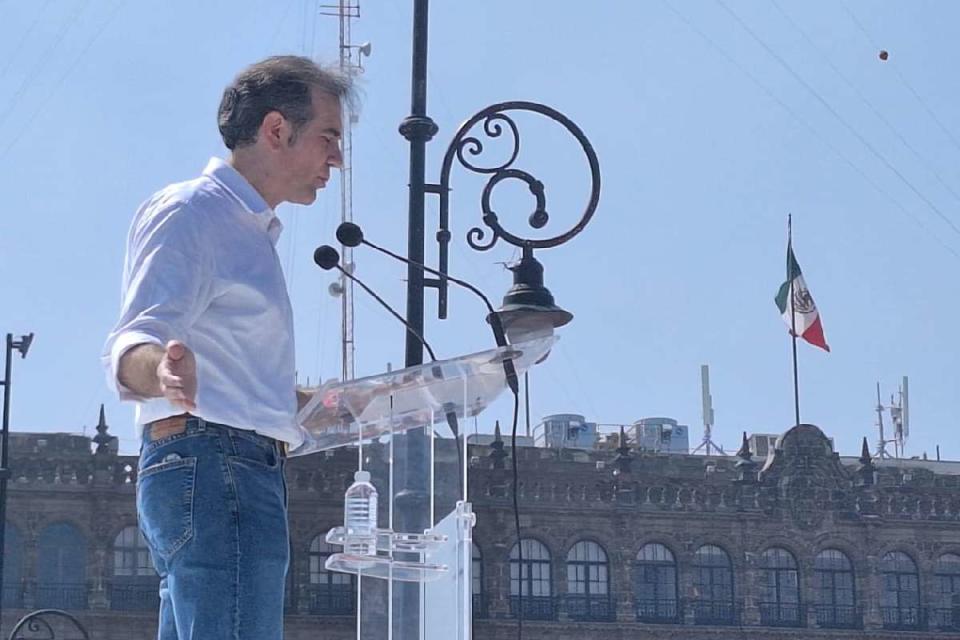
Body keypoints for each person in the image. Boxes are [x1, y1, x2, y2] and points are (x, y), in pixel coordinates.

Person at [102, 56, 354, 640]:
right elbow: (135, 339)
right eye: (328, 137)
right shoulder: (195, 212)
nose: (336, 159)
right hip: (217, 465)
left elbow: (233, 374)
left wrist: (321, 404)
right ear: (275, 130)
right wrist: (160, 374)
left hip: (229, 464)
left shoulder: (244, 230)